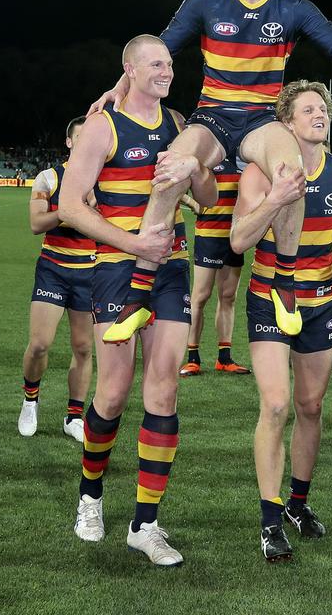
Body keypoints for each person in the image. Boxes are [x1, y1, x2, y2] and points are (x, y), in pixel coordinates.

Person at [90, 0, 332, 344]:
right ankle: (139, 294)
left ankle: (285, 280)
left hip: (263, 119)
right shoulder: (206, 0)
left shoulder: (293, 5)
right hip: (212, 115)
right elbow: (160, 47)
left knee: (292, 172)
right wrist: (119, 89)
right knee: (171, 166)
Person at [58, 34, 217, 567]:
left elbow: (211, 200)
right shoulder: (103, 127)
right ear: (129, 68)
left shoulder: (178, 127)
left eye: (169, 63)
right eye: (155, 63)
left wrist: (197, 170)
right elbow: (70, 205)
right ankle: (90, 495)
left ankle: (145, 524)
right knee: (112, 391)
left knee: (165, 389)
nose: (166, 70)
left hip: (171, 267)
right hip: (115, 269)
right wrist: (132, 242)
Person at [232, 80, 332, 562]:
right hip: (269, 297)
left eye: (323, 109)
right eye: (308, 110)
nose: (319, 115)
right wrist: (276, 198)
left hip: (320, 302)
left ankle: (297, 505)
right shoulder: (260, 172)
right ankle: (268, 520)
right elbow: (238, 240)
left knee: (311, 407)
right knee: (276, 405)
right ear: (286, 123)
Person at [18, 116, 95, 443]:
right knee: (39, 344)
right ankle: (30, 400)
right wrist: (73, 210)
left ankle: (74, 416)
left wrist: (86, 210)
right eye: (79, 138)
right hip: (53, 268)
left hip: (91, 271)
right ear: (68, 142)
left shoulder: (104, 180)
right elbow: (37, 223)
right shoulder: (49, 178)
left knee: (82, 347)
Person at [180, 156, 250, 376]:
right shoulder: (208, 159)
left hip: (235, 237)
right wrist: (193, 203)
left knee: (228, 297)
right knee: (200, 297)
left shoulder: (245, 160)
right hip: (209, 236)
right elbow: (174, 185)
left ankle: (224, 358)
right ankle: (192, 358)